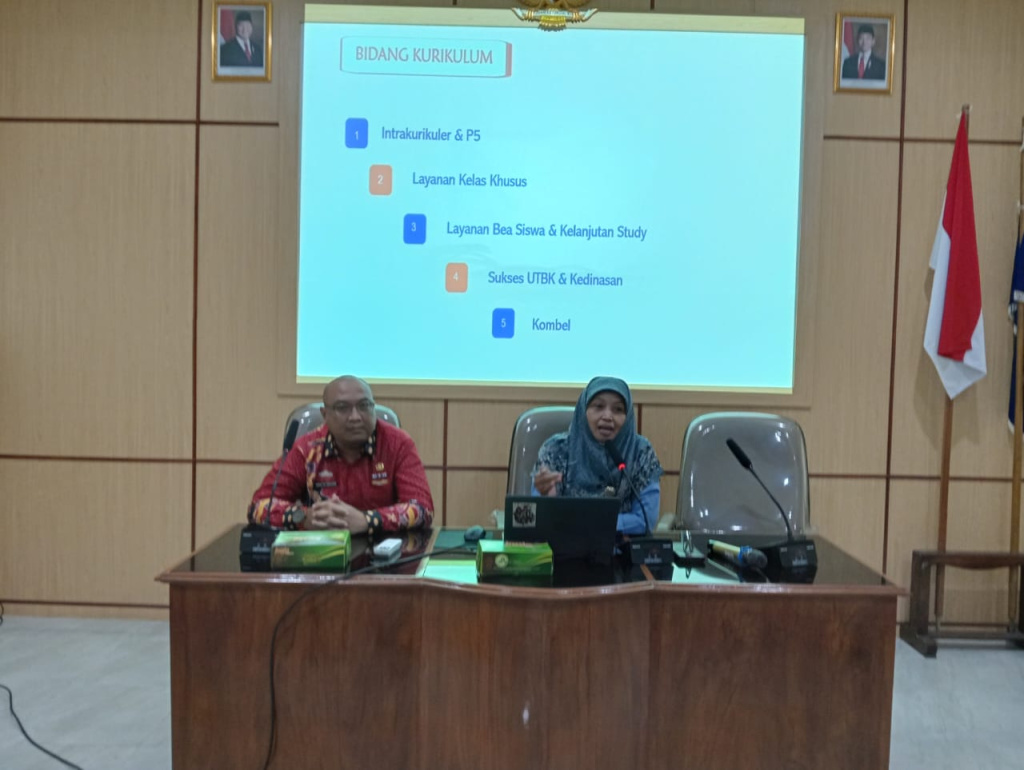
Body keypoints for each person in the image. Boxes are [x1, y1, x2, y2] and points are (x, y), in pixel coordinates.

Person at [248, 376, 433, 535]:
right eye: (343, 408)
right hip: (320, 551)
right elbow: (259, 507)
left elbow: (422, 508)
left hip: (383, 551)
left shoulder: (397, 444)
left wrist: (367, 520)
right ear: (325, 414)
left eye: (364, 406)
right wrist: (304, 517)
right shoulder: (308, 448)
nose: (355, 417)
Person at [532, 376, 663, 535]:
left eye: (618, 409)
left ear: (628, 416)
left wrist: (584, 521)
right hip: (564, 546)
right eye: (598, 406)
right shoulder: (556, 450)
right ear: (583, 411)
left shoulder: (640, 452)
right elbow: (539, 517)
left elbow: (645, 520)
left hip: (622, 547)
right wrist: (545, 500)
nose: (607, 416)